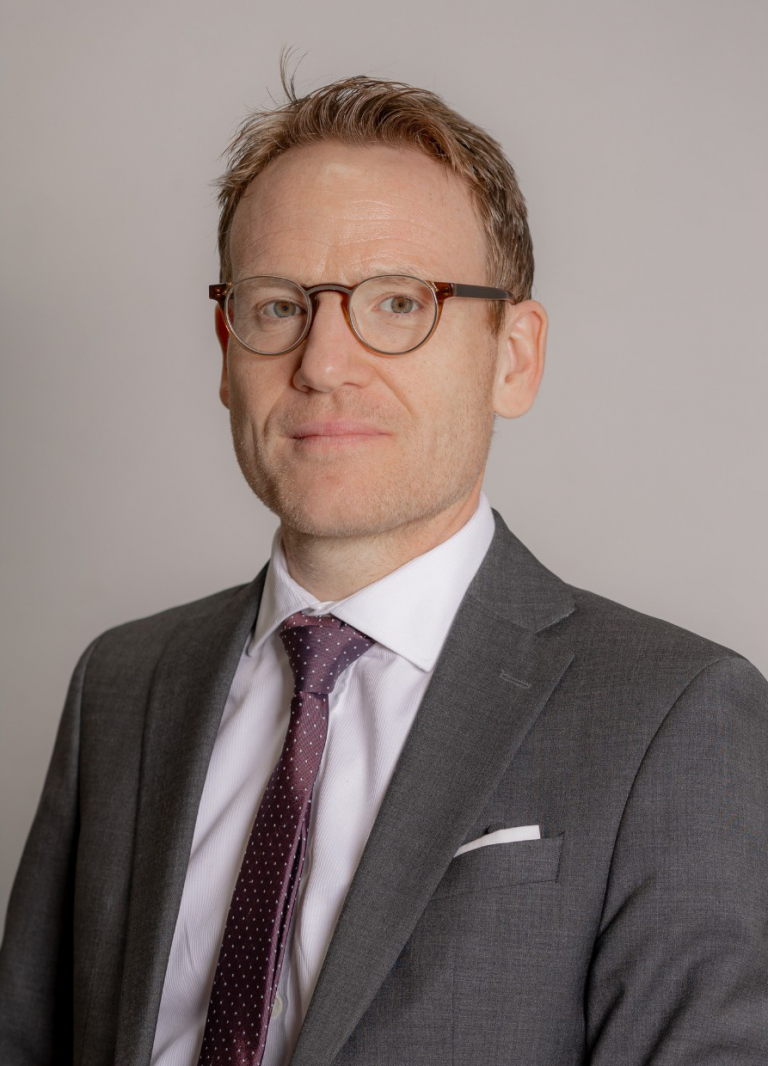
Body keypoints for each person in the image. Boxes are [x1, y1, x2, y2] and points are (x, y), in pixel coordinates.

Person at [1, 68, 766, 1066]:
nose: (323, 363)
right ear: (226, 348)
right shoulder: (123, 685)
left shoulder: (675, 718)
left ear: (513, 356)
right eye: (279, 306)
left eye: (399, 303)